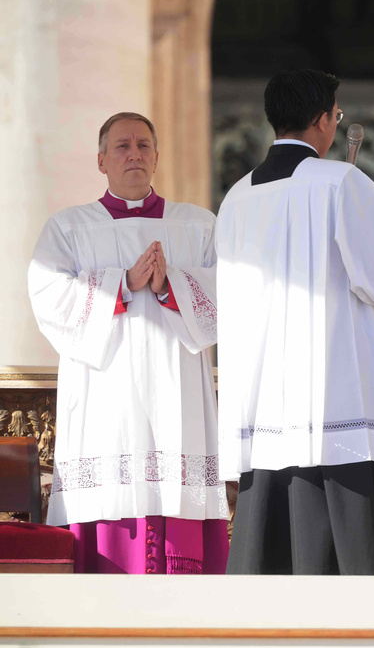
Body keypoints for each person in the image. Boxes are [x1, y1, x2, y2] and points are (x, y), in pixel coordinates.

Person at [216, 69, 374, 575]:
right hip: (333, 390)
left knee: (270, 553)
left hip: (263, 400)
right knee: (350, 558)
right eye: (336, 114)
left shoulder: (236, 196)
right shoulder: (342, 181)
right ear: (325, 120)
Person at [28, 112, 227, 574]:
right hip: (106, 395)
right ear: (101, 160)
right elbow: (47, 296)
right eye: (121, 146)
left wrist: (169, 285)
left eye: (142, 145)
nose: (133, 154)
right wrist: (120, 284)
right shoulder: (68, 228)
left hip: (177, 392)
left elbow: (232, 290)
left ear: (157, 157)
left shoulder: (198, 225)